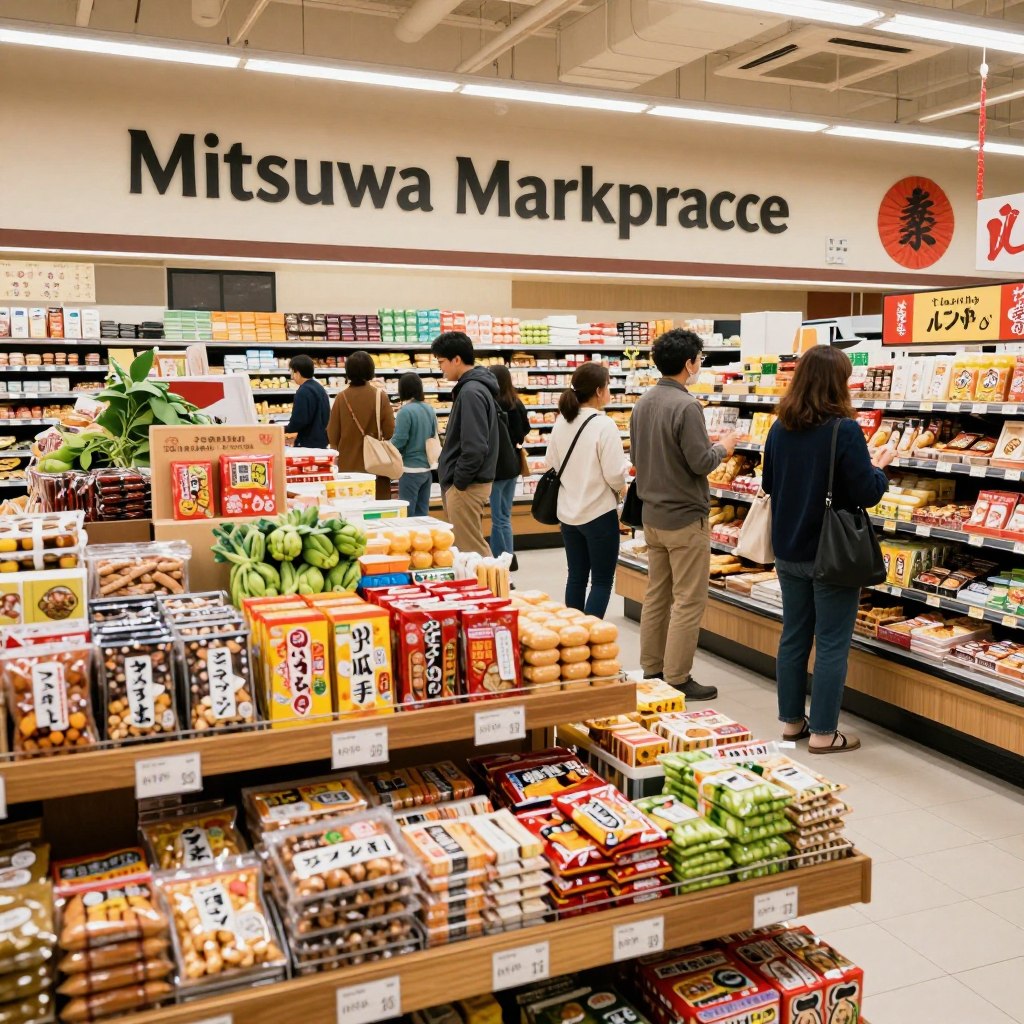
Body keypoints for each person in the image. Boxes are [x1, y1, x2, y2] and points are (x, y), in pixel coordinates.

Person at [762, 344, 892, 754]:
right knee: (833, 641)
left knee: (794, 635)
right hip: (830, 553)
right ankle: (822, 733)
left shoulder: (779, 427)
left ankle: (791, 723)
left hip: (788, 549)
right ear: (839, 383)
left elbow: (768, 485)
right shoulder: (844, 430)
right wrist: (882, 467)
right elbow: (867, 493)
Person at [630, 329, 737, 701]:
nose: (699, 365)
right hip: (685, 519)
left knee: (657, 595)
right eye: (700, 359)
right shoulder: (687, 407)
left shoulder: (642, 403)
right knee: (689, 600)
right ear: (689, 363)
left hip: (653, 516)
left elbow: (636, 459)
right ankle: (677, 676)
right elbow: (700, 462)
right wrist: (723, 448)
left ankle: (651, 668)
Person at [545, 362, 629, 618]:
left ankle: (574, 636)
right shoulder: (604, 425)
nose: (609, 391)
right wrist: (623, 489)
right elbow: (615, 473)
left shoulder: (562, 422)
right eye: (608, 386)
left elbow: (551, 464)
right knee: (602, 581)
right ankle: (591, 639)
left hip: (568, 514)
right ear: (598, 390)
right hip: (598, 514)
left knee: (577, 577)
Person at [430, 331, 499, 556]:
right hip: (467, 484)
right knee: (466, 548)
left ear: (456, 359)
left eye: (442, 362)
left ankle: (495, 588)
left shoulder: (471, 392)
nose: (441, 368)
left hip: (466, 486)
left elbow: (475, 446)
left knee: (471, 550)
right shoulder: (474, 388)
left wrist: (458, 483)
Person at [327, 350, 395, 500]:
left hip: (348, 469)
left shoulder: (341, 398)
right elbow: (390, 431)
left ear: (348, 372)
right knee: (377, 510)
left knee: (351, 511)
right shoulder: (380, 396)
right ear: (371, 370)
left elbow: (332, 434)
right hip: (376, 466)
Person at [488, 365, 530, 562]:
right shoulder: (516, 402)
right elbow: (525, 429)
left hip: (496, 466)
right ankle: (505, 557)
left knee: (498, 518)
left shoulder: (491, 403)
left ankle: (504, 559)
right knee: (504, 516)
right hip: (513, 464)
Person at [391, 371, 438, 518]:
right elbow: (433, 435)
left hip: (410, 469)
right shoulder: (429, 409)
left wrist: (386, 448)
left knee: (407, 514)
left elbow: (400, 440)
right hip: (426, 469)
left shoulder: (405, 412)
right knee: (422, 513)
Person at [283, 354, 330, 449]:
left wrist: (284, 429)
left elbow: (299, 420)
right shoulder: (319, 387)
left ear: (298, 372)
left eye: (292, 371)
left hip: (308, 443)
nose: (292, 376)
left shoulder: (303, 391)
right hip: (322, 440)